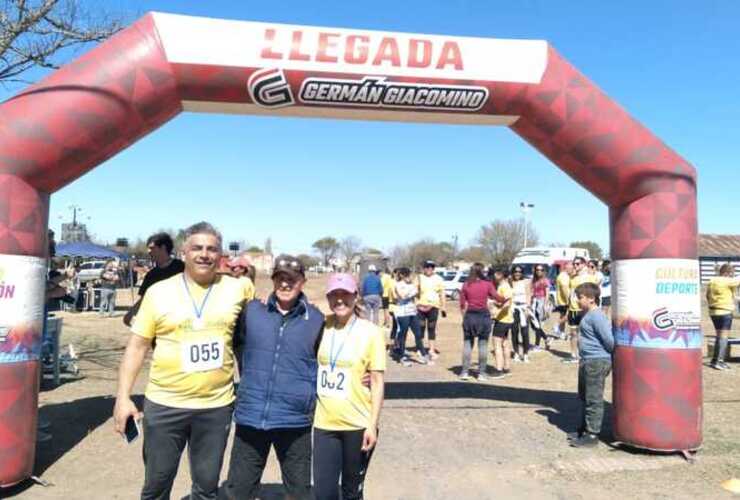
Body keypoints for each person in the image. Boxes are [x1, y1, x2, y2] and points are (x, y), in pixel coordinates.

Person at [113, 222, 253, 500]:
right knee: (156, 486)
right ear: (184, 252)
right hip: (165, 406)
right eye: (197, 248)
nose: (204, 254)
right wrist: (123, 397)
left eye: (212, 249)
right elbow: (137, 347)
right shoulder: (159, 292)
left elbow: (262, 328)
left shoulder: (239, 289)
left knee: (206, 488)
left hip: (216, 408)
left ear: (220, 254)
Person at [222, 255, 324, 500]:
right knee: (238, 490)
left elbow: (332, 359)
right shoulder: (251, 312)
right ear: (273, 279)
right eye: (280, 278)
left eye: (292, 279)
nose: (286, 284)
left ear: (303, 281)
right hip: (252, 415)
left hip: (294, 419)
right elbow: (231, 344)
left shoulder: (317, 320)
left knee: (299, 492)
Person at [313, 273, 385, 500]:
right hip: (324, 424)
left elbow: (376, 381)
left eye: (345, 295)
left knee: (351, 492)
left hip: (358, 425)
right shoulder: (320, 326)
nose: (339, 300)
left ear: (356, 297)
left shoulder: (371, 332)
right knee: (324, 492)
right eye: (334, 295)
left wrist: (372, 425)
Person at [568, 282, 614, 448]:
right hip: (587, 360)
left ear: (592, 299)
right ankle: (584, 429)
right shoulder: (587, 314)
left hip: (596, 361)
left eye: (580, 298)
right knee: (585, 396)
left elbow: (609, 340)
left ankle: (592, 435)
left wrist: (607, 357)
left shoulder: (597, 316)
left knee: (593, 398)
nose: (577, 301)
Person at [124, 232, 185, 327]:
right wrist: (131, 313)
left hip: (182, 322)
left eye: (152, 248)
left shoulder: (183, 268)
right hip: (159, 323)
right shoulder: (151, 275)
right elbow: (145, 298)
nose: (148, 251)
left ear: (163, 248)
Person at [459, 263, 506, 381]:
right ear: (481, 272)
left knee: (467, 344)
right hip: (483, 317)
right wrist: (505, 299)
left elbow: (462, 304)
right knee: (483, 345)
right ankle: (481, 373)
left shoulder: (466, 285)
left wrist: (464, 317)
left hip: (470, 316)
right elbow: (497, 297)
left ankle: (464, 372)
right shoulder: (487, 284)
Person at [563, 257, 599, 364]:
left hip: (585, 309)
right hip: (573, 309)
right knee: (573, 333)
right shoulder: (572, 278)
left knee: (585, 333)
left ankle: (586, 354)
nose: (575, 266)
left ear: (583, 264)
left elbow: (596, 292)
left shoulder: (590, 277)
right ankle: (574, 355)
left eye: (578, 264)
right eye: (574, 264)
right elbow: (570, 294)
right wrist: (567, 308)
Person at [393, 267, 429, 366]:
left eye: (410, 275)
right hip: (402, 312)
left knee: (418, 333)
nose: (409, 278)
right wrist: (412, 292)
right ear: (402, 276)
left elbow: (417, 293)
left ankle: (422, 354)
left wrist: (412, 293)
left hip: (412, 311)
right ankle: (402, 356)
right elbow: (402, 296)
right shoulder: (398, 285)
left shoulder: (412, 285)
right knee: (403, 334)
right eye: (407, 275)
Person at [707, 264, 740, 370]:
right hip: (725, 311)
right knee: (723, 337)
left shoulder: (712, 281)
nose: (732, 276)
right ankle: (719, 361)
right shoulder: (727, 281)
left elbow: (707, 296)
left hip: (713, 312)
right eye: (731, 274)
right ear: (727, 273)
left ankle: (714, 360)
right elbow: (737, 280)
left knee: (718, 336)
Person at [416, 260, 446, 360]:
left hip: (433, 306)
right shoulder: (419, 278)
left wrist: (443, 307)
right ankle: (420, 348)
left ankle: (431, 349)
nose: (429, 269)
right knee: (421, 327)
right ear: (424, 268)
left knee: (431, 327)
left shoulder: (439, 279)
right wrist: (415, 303)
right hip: (421, 306)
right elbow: (414, 291)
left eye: (431, 267)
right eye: (427, 267)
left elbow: (442, 293)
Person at [490, 267, 514, 377]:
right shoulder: (502, 286)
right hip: (506, 320)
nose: (494, 275)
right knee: (505, 343)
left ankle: (499, 370)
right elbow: (502, 301)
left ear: (501, 274)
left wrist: (496, 314)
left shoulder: (504, 286)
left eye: (496, 273)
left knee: (497, 344)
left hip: (503, 320)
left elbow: (507, 303)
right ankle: (506, 368)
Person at [510, 265, 532, 363]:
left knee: (525, 332)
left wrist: (528, 307)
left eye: (519, 271)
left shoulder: (526, 282)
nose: (517, 273)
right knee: (514, 331)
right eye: (515, 271)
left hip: (523, 308)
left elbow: (528, 295)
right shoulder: (510, 282)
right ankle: (516, 352)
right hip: (514, 308)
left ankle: (526, 353)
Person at [530, 265, 551, 351]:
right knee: (534, 324)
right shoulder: (533, 280)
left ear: (543, 271)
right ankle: (546, 338)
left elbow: (547, 294)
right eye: (537, 269)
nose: (539, 271)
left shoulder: (545, 280)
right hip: (534, 301)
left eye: (541, 270)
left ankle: (537, 345)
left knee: (537, 323)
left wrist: (545, 305)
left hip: (541, 302)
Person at [554, 263, 573, 340]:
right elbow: (565, 289)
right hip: (565, 301)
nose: (572, 270)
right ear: (567, 268)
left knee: (563, 315)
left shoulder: (564, 276)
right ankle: (556, 325)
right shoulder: (563, 277)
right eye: (571, 268)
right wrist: (569, 300)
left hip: (562, 300)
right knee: (568, 316)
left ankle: (561, 333)